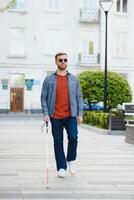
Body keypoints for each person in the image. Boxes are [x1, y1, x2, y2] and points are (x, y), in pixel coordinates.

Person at [41, 52, 83, 178]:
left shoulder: (74, 79)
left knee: (73, 138)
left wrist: (80, 114)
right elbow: (43, 98)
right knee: (58, 141)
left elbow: (79, 97)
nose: (63, 62)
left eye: (65, 60)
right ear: (56, 62)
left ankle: (71, 159)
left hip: (71, 115)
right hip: (55, 116)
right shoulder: (49, 79)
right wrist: (46, 114)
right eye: (60, 60)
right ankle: (61, 167)